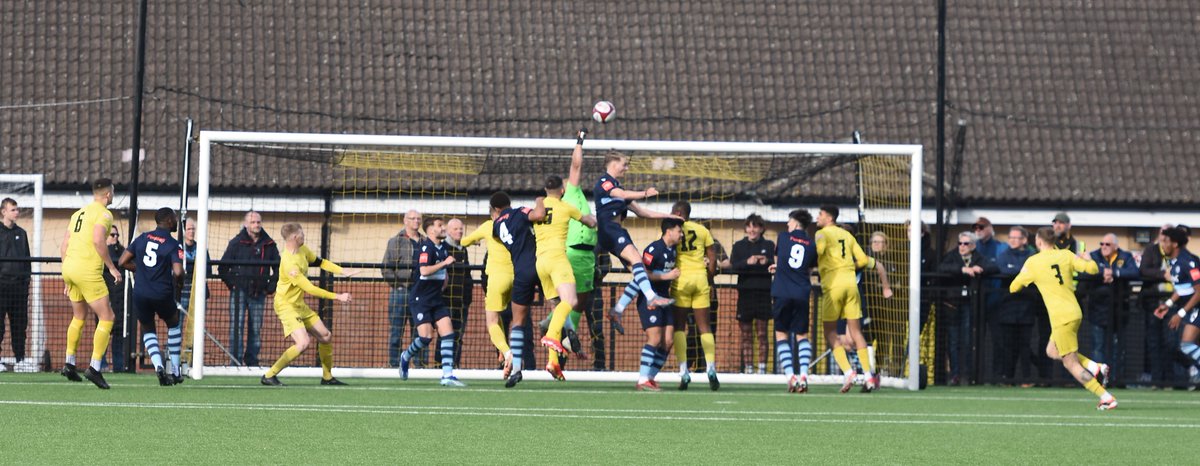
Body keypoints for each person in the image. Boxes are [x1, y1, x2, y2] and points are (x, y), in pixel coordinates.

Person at [1011, 227, 1116, 410]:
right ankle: (1095, 366)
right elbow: (1092, 269)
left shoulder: (1033, 262)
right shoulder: (1066, 255)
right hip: (1074, 312)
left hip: (1061, 317)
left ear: (1038, 241)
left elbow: (1014, 287)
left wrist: (1024, 271)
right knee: (1052, 351)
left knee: (1070, 364)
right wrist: (1087, 258)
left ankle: (1106, 397)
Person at [260, 223, 355, 386]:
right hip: (285, 305)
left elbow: (320, 262)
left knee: (325, 336)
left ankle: (327, 377)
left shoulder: (303, 250)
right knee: (303, 343)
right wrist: (338, 296)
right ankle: (269, 375)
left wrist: (342, 271)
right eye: (302, 235)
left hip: (298, 304)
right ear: (296, 237)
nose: (304, 237)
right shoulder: (290, 263)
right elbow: (310, 288)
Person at [596, 150, 676, 327]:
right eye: (624, 164)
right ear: (614, 163)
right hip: (610, 229)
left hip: (615, 231)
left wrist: (670, 216)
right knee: (637, 260)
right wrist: (645, 193)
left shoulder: (620, 189)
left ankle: (618, 309)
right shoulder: (604, 182)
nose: (627, 168)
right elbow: (622, 195)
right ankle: (651, 298)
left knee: (640, 272)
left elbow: (642, 212)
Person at [532, 174, 598, 381]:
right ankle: (551, 336)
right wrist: (597, 219)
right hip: (558, 260)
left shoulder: (537, 208)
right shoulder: (566, 206)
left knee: (558, 307)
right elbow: (589, 222)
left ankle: (553, 361)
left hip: (540, 263)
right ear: (562, 191)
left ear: (545, 190)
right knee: (572, 301)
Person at [58, 178, 121, 389]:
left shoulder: (78, 213)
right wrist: (112, 268)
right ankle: (94, 368)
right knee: (107, 316)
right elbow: (97, 239)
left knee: (79, 316)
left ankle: (69, 363)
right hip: (87, 270)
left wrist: (68, 275)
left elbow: (64, 245)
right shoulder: (104, 214)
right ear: (108, 194)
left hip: (70, 268)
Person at [816, 205, 884, 392]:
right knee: (856, 333)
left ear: (829, 218)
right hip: (852, 286)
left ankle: (848, 372)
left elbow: (818, 252)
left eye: (820, 214)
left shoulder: (822, 234)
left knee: (829, 332)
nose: (817, 217)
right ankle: (869, 377)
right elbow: (863, 260)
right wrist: (848, 265)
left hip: (834, 285)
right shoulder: (849, 236)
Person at [396, 217, 467, 387]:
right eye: (440, 226)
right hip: (421, 300)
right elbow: (424, 270)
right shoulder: (426, 247)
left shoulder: (442, 247)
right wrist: (444, 264)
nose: (443, 228)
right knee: (426, 337)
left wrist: (445, 279)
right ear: (430, 230)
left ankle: (447, 375)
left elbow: (442, 272)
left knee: (448, 333)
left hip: (436, 299)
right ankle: (405, 356)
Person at [117, 208, 185, 386]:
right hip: (162, 292)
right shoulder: (173, 244)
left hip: (140, 292)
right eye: (175, 218)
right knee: (174, 322)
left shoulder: (142, 238)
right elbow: (178, 272)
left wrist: (141, 271)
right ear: (169, 221)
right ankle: (176, 370)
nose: (177, 221)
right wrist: (179, 286)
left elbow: (122, 261)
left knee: (148, 328)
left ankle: (158, 367)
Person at [490, 191, 546, 388]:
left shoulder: (496, 226)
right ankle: (557, 332)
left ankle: (516, 369)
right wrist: (540, 199)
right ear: (509, 203)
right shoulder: (519, 212)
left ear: (496, 209)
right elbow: (539, 215)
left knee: (518, 322)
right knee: (561, 302)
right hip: (539, 265)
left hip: (519, 272)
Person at [665, 201, 720, 390]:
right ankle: (711, 368)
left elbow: (667, 252)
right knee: (705, 327)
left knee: (680, 327)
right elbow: (712, 258)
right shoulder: (703, 230)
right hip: (700, 280)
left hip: (681, 281)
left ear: (679, 213)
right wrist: (710, 279)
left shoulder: (673, 230)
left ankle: (684, 372)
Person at [218, 211, 279, 367]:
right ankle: (236, 361)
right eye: (253, 222)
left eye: (258, 222)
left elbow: (278, 268)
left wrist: (269, 288)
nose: (256, 225)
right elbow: (223, 268)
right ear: (246, 224)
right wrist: (233, 285)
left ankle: (251, 361)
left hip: (259, 294)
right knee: (236, 327)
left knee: (256, 329)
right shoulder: (236, 243)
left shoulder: (269, 244)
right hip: (239, 293)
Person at [937, 231, 998, 385]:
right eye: (960, 243)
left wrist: (979, 269)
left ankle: (969, 374)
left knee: (968, 340)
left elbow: (994, 267)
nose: (962, 247)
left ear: (973, 245)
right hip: (953, 304)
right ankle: (955, 373)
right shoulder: (952, 256)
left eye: (966, 244)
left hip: (971, 304)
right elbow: (942, 267)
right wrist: (962, 270)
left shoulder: (978, 257)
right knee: (953, 340)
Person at [767, 209, 817, 393]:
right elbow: (808, 270)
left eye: (789, 222)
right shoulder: (812, 244)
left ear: (795, 223)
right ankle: (803, 374)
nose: (787, 225)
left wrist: (777, 267)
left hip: (782, 291)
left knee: (781, 334)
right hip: (802, 292)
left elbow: (780, 260)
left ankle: (790, 376)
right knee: (802, 335)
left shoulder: (783, 237)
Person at [462, 215, 516, 376]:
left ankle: (507, 353)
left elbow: (464, 241)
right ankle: (511, 356)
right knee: (519, 323)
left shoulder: (488, 226)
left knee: (492, 321)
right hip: (517, 279)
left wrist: (473, 241)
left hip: (496, 281)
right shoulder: (516, 224)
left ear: (494, 212)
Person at [634, 219, 684, 391]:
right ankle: (642, 379)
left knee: (668, 341)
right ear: (669, 231)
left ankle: (649, 377)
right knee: (654, 338)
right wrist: (666, 276)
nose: (681, 234)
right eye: (679, 231)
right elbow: (641, 274)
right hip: (650, 298)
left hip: (665, 298)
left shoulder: (675, 250)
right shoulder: (653, 249)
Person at [1079, 233, 1138, 364]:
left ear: (1116, 246)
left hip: (1119, 310)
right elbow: (1084, 271)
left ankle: (1116, 380)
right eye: (1102, 244)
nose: (1103, 247)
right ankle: (1099, 380)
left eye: (1107, 244)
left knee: (1118, 347)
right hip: (1097, 308)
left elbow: (1134, 272)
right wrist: (1102, 273)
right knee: (1098, 346)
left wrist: (1115, 273)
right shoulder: (1094, 256)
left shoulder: (1125, 256)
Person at [1153, 227, 1200, 386]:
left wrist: (1180, 313)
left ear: (1175, 244)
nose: (1163, 244)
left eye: (1166, 241)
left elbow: (1199, 291)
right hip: (1190, 309)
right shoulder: (1174, 262)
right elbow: (1182, 289)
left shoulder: (1189, 262)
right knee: (1181, 346)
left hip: (1196, 308)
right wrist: (1168, 304)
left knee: (1186, 345)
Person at [992, 226, 1038, 383]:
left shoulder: (1032, 256)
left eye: (1016, 237)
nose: (1012, 240)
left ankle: (1027, 378)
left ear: (1024, 240)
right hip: (1007, 308)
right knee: (1008, 345)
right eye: (1010, 237)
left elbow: (1031, 273)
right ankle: (1008, 378)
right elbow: (1004, 270)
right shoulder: (1003, 255)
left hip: (1027, 308)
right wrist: (1020, 274)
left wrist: (1018, 273)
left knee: (1025, 345)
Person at [730, 213, 775, 375]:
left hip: (764, 293)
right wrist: (747, 263)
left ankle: (762, 368)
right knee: (746, 334)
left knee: (762, 333)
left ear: (761, 228)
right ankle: (748, 368)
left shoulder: (770, 245)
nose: (752, 230)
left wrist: (767, 262)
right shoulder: (739, 246)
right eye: (749, 226)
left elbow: (775, 263)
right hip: (745, 294)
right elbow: (733, 266)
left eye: (755, 226)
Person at [1140, 224, 1180, 386]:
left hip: (1173, 304)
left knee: (1170, 343)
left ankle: (1170, 380)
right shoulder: (1151, 251)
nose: (1165, 237)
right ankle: (1157, 380)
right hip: (1154, 304)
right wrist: (1163, 275)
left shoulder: (1178, 253)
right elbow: (1143, 270)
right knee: (1154, 342)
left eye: (1168, 234)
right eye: (1163, 233)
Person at [382, 209, 423, 368]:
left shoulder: (425, 242)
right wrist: (398, 284)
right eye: (412, 218)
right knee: (396, 332)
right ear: (405, 220)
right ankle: (394, 365)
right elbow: (385, 268)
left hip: (419, 293)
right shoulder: (395, 241)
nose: (416, 221)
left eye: (418, 219)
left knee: (420, 331)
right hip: (400, 293)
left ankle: (420, 365)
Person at [0, 198, 34, 373]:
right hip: (1, 287)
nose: (16, 212)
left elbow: (27, 260)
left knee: (20, 325)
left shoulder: (22, 233)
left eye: (17, 209)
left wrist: (26, 281)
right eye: (13, 209)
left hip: (19, 289)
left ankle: (20, 359)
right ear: (3, 212)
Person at [443, 218, 474, 368]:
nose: (459, 231)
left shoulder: (464, 249)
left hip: (462, 301)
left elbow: (467, 276)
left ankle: (455, 364)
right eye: (455, 229)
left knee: (458, 335)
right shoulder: (443, 248)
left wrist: (468, 297)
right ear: (448, 231)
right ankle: (440, 364)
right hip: (446, 300)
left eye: (461, 229)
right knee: (445, 335)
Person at [101, 223, 128, 372]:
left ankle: (119, 366)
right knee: (104, 330)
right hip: (106, 297)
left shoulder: (122, 251)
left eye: (117, 235)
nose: (115, 238)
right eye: (112, 235)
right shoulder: (102, 253)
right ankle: (101, 363)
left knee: (118, 334)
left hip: (120, 300)